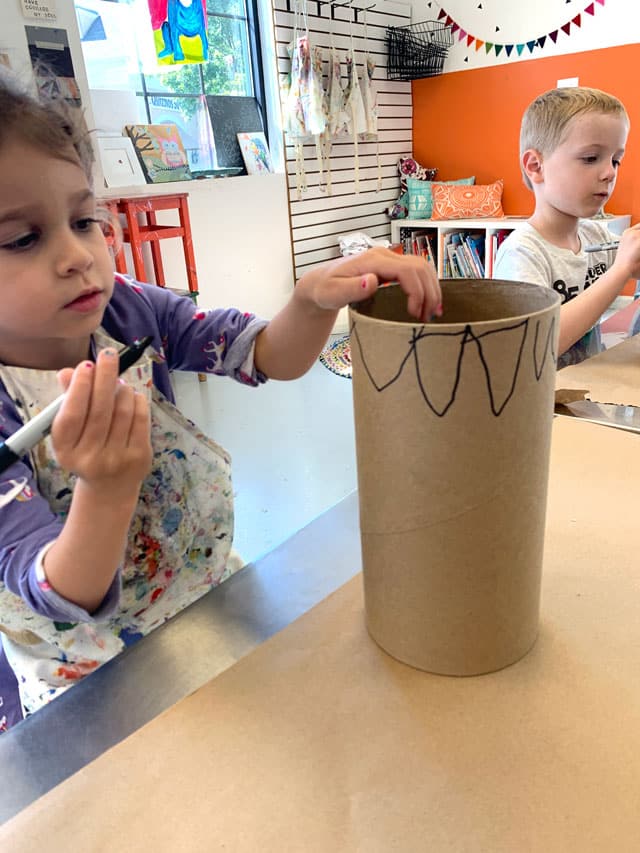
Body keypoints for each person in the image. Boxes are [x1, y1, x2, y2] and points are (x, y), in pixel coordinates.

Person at [0, 68, 441, 725]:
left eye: (84, 219)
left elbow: (264, 354)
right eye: (24, 238)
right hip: (92, 690)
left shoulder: (128, 312)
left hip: (208, 606)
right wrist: (107, 489)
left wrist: (310, 299)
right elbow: (54, 588)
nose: (77, 255)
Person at [494, 86, 640, 367]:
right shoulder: (522, 253)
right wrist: (621, 270)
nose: (610, 172)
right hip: (540, 404)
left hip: (585, 392)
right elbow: (539, 344)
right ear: (535, 166)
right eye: (590, 158)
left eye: (615, 159)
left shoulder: (596, 236)